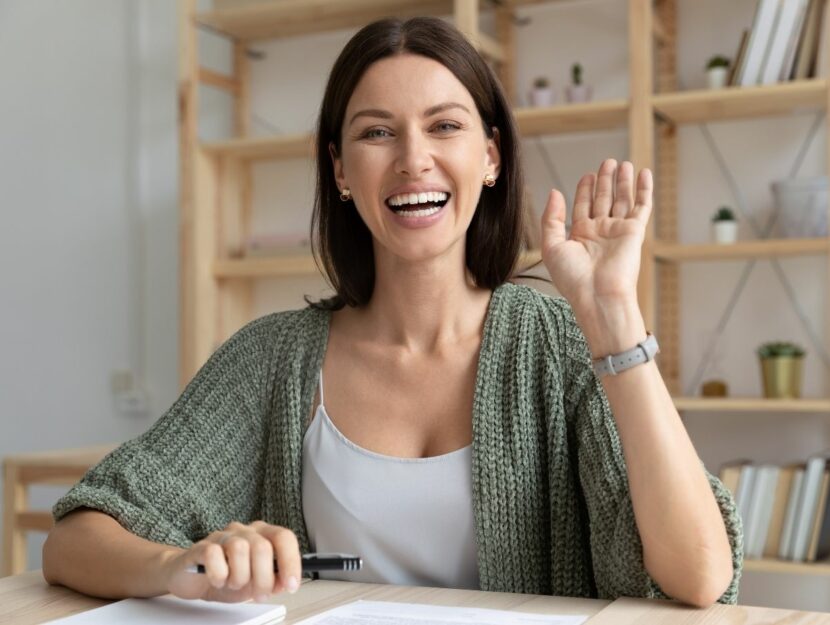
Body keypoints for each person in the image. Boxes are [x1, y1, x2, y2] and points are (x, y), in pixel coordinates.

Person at [42, 16, 742, 608]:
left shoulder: (558, 344)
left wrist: (613, 316)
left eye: (444, 126)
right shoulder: (273, 357)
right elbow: (76, 538)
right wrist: (179, 565)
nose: (414, 160)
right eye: (377, 133)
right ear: (341, 170)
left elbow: (699, 575)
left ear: (491, 156)